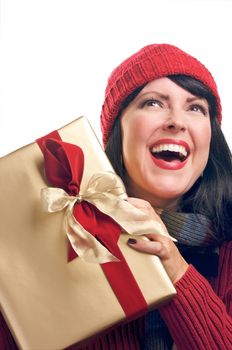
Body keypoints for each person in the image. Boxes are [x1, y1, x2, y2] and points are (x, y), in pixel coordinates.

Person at [1, 44, 231, 350]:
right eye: (152, 103)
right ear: (116, 134)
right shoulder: (67, 239)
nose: (177, 120)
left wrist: (175, 269)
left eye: (195, 107)